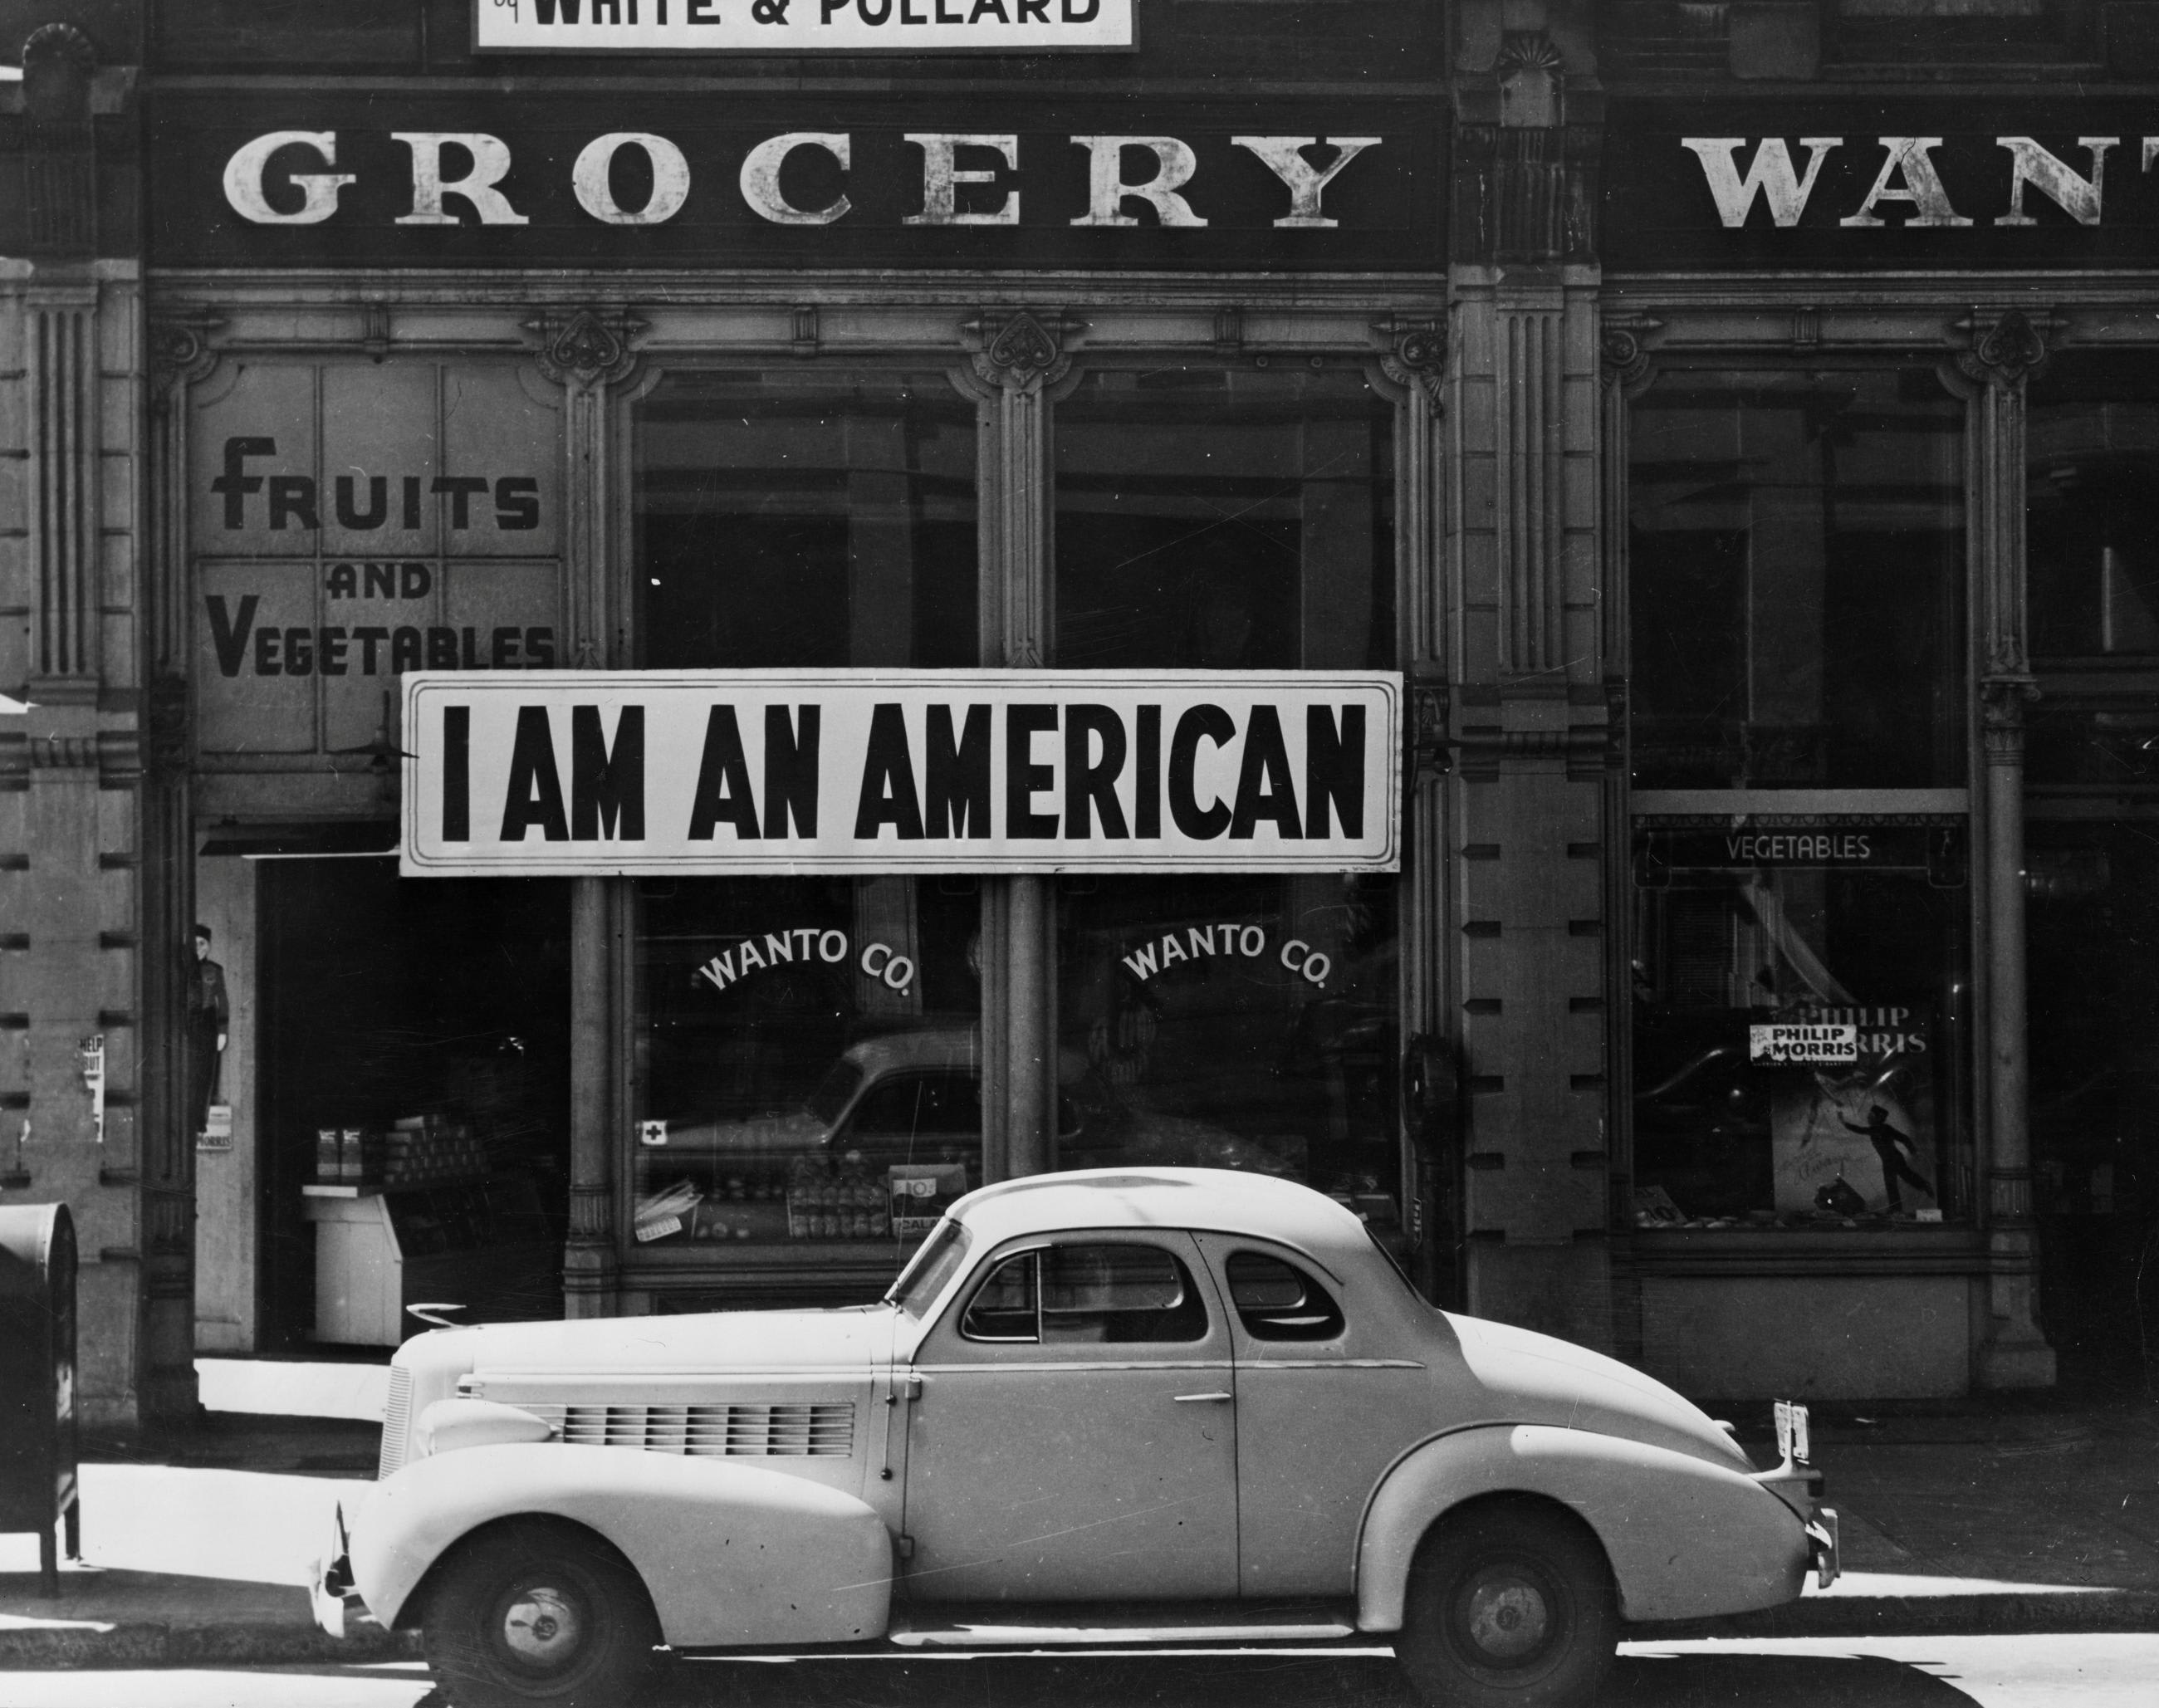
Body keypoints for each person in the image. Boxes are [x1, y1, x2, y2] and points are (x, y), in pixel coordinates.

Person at [1840, 1104, 1933, 1212]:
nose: (1868, 1117)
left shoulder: (1882, 1129)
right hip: (1890, 1160)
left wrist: (1914, 1152)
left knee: (1901, 1179)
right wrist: (1913, 1152)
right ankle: (1898, 1208)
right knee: (1896, 1182)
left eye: (1871, 1115)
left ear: (1877, 1117)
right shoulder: (1878, 1129)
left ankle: (1921, 1189)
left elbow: (1904, 1138)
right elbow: (1904, 1138)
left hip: (1894, 1159)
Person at [186, 923, 228, 1139]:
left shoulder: (215, 970)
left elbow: (223, 1001)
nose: (198, 947)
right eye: (194, 943)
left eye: (202, 943)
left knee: (205, 1072)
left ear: (208, 946)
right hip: (187, 1022)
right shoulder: (182, 970)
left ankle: (199, 1120)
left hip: (207, 1022)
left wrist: (222, 1031)